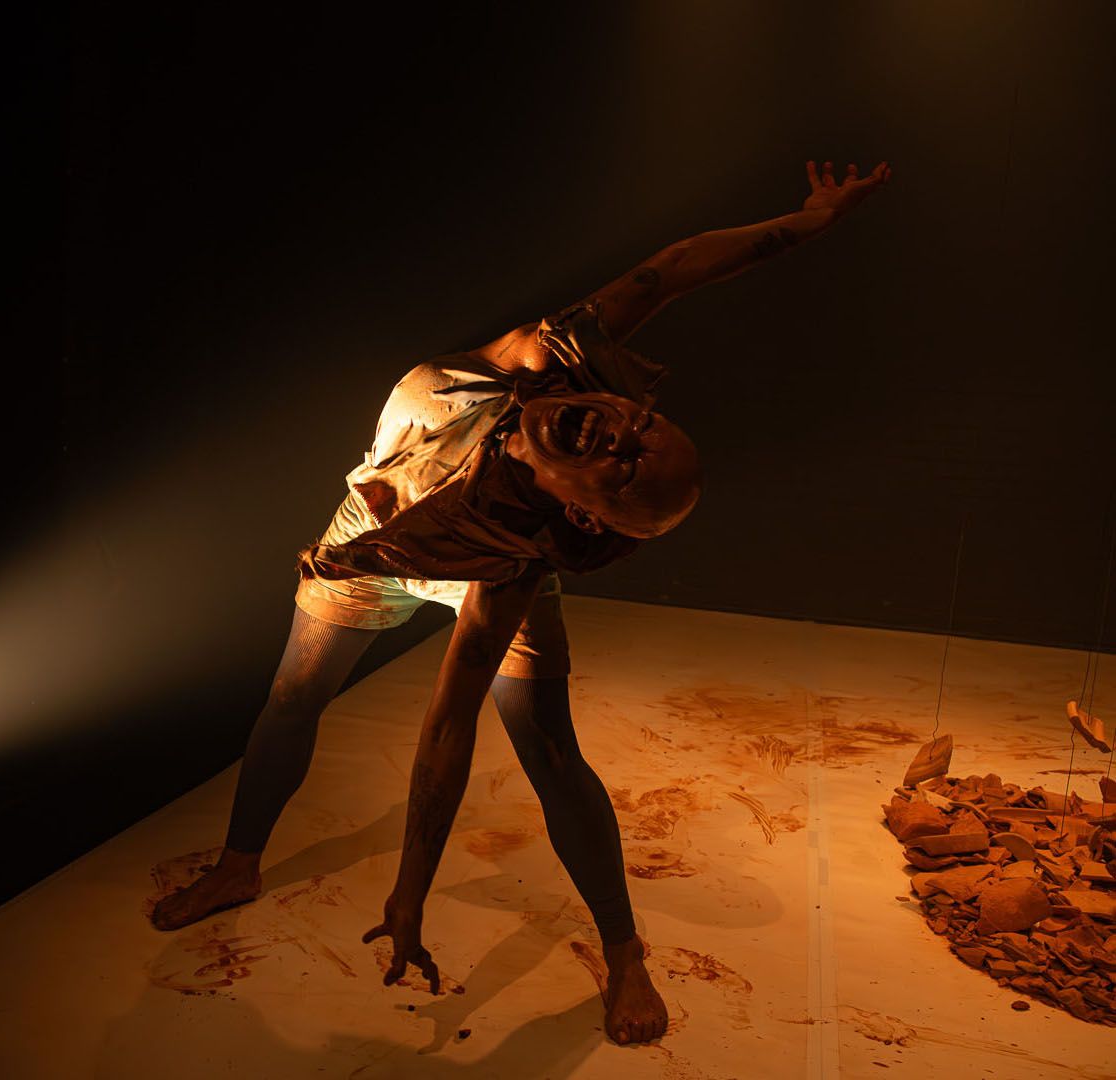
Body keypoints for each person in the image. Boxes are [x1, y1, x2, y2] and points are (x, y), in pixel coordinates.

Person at [151, 160, 892, 1045]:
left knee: (546, 747)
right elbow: (680, 265)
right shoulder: (564, 363)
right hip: (372, 523)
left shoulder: (510, 561)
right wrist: (809, 222)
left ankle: (624, 955)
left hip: (453, 561)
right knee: (292, 696)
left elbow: (446, 729)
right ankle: (238, 864)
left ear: (579, 508)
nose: (618, 429)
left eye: (622, 463)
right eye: (642, 425)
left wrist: (410, 893)